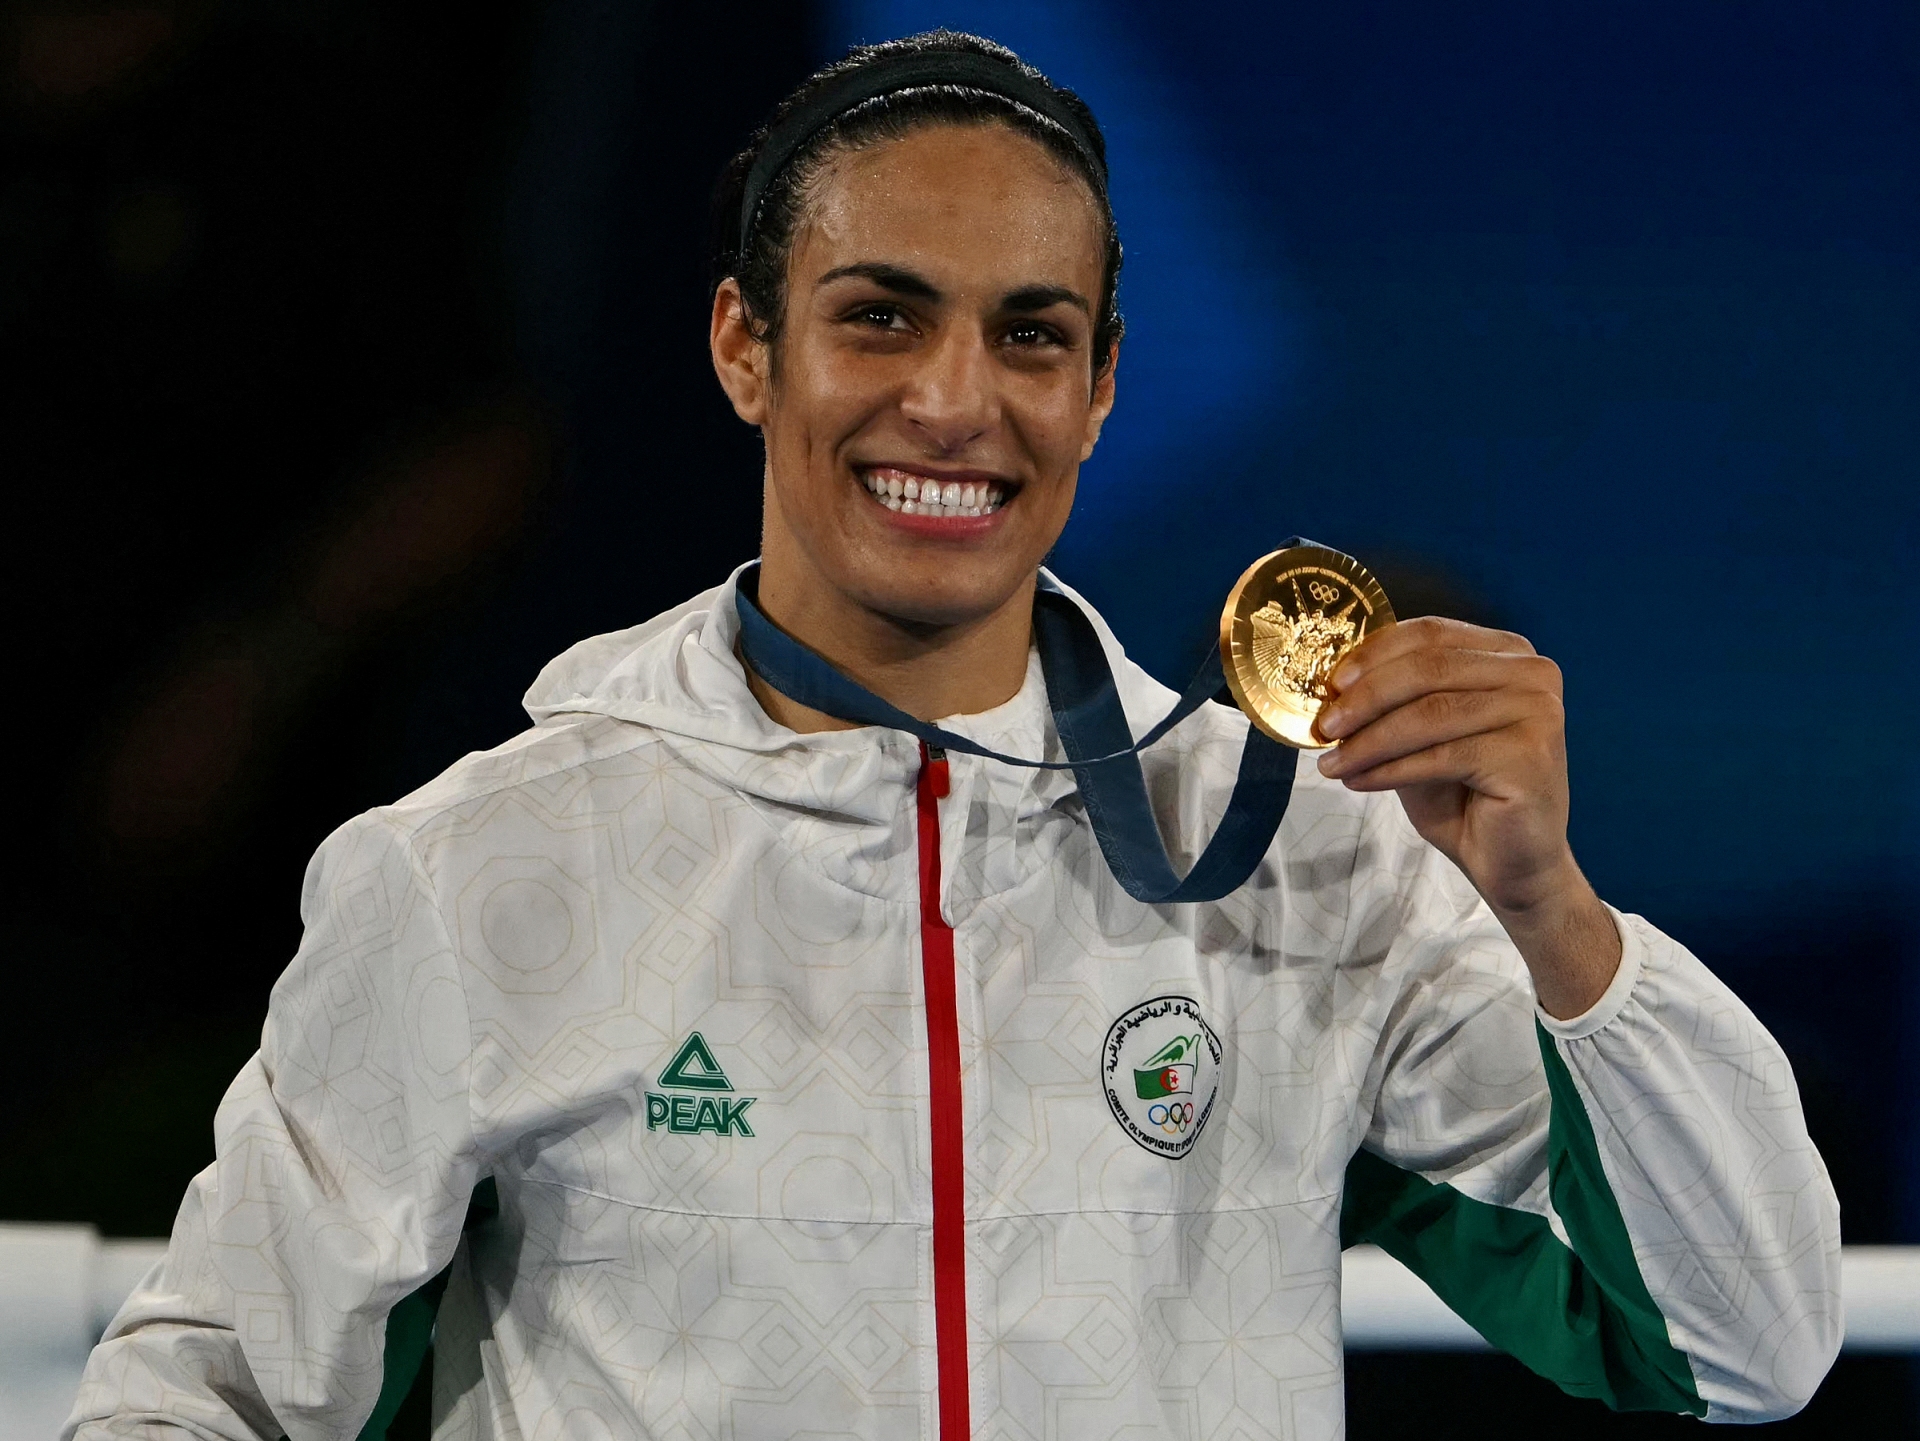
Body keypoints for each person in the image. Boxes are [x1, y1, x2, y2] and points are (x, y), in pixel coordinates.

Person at [67, 29, 1841, 1441]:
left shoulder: (1301, 864)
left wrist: (1561, 920)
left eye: (1030, 334)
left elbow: (1740, 1338)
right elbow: (205, 1398)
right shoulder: (478, 871)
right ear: (743, 346)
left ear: (1101, 388)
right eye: (882, 313)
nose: (953, 399)